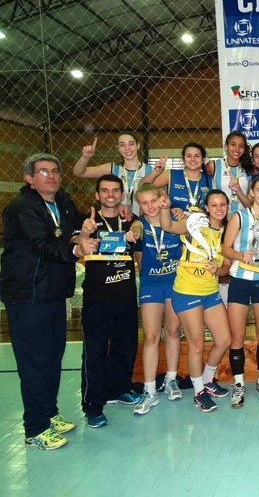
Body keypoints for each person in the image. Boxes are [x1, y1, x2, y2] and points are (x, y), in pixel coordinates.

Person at [1, 153, 95, 450]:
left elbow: (78, 226)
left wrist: (90, 229)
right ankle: (35, 427)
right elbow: (42, 244)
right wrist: (76, 251)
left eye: (55, 171)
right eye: (43, 172)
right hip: (27, 295)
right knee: (34, 362)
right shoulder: (22, 207)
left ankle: (49, 412)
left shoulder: (62, 203)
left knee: (53, 356)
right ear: (29, 178)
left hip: (53, 292)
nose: (51, 176)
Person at [159, 189, 232, 412]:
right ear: (207, 208)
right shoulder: (194, 223)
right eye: (214, 205)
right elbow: (168, 227)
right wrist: (164, 208)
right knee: (197, 344)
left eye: (223, 205)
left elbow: (227, 267)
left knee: (224, 339)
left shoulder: (228, 232)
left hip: (210, 292)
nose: (219, 209)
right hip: (187, 291)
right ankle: (198, 392)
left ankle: (208, 381)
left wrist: (217, 269)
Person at [79, 175, 142, 428]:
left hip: (125, 295)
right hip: (96, 298)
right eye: (105, 191)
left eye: (115, 190)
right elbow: (76, 240)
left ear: (122, 194)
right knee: (94, 353)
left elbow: (138, 229)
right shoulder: (89, 221)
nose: (111, 195)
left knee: (125, 346)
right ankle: (92, 406)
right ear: (97, 195)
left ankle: (120, 389)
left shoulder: (130, 220)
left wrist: (135, 231)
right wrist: (83, 237)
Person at [222, 177, 259, 406]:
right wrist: (239, 255)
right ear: (252, 193)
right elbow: (225, 247)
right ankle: (239, 384)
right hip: (240, 281)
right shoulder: (239, 216)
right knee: (237, 337)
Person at [131, 184, 184, 415]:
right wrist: (134, 230)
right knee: (151, 336)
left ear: (163, 199)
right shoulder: (139, 224)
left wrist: (182, 213)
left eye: (154, 200)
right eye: (145, 203)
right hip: (151, 284)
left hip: (175, 283)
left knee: (173, 331)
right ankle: (150, 390)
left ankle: (171, 379)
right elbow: (135, 228)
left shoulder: (174, 217)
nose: (150, 206)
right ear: (139, 206)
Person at [73, 132, 152, 215]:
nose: (127, 148)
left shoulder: (150, 171)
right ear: (118, 148)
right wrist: (85, 157)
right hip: (118, 220)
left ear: (138, 145)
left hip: (143, 222)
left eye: (131, 144)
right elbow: (78, 172)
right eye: (122, 145)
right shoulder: (113, 168)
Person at [141, 143, 212, 218]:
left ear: (203, 159)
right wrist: (156, 172)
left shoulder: (210, 179)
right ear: (183, 159)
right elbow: (142, 186)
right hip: (174, 225)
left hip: (201, 226)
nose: (193, 159)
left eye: (197, 156)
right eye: (188, 156)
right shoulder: (171, 174)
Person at [207, 131, 254, 215]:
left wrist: (239, 191)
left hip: (242, 219)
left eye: (241, 146)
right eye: (233, 144)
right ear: (226, 146)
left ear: (244, 149)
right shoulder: (213, 165)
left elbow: (250, 205)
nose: (237, 149)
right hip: (220, 217)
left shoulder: (249, 169)